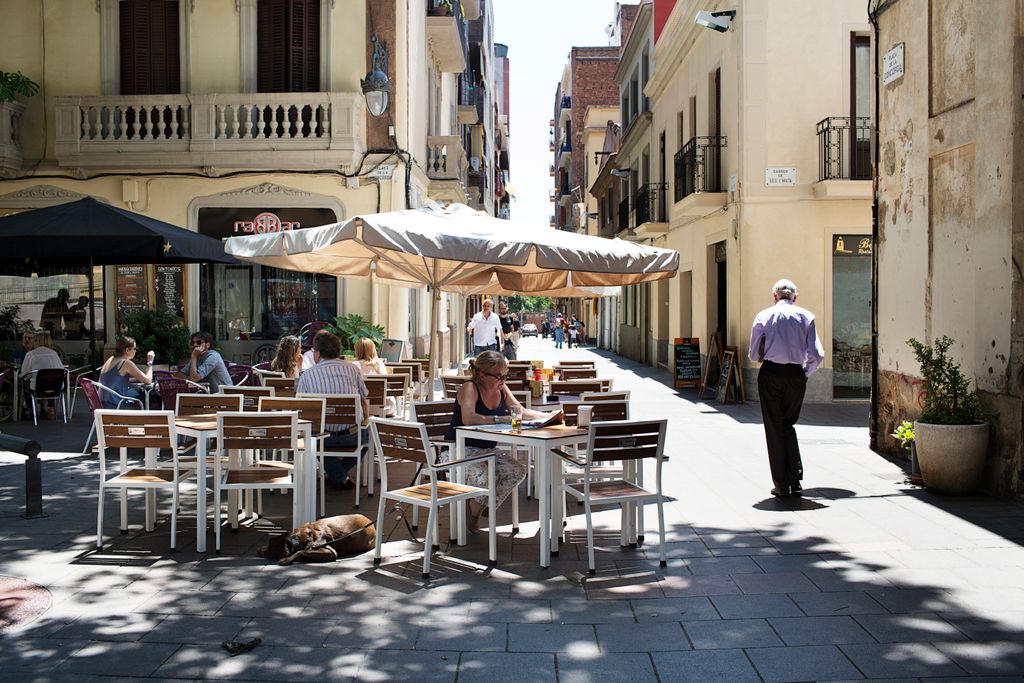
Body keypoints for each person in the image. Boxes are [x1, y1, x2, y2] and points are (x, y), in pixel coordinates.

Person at [444, 351, 561, 532]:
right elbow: (469, 418)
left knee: (517, 471)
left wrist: (548, 416)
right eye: (498, 376)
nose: (503, 380)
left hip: (486, 451)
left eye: (505, 375)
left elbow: (519, 410)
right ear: (481, 375)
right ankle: (475, 513)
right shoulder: (470, 388)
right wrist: (500, 419)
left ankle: (477, 508)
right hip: (457, 451)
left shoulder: (501, 388)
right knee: (485, 478)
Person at [748, 278, 825, 498]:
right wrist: (804, 373)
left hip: (771, 373)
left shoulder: (763, 316)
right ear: (795, 297)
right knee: (787, 424)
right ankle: (794, 477)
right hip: (795, 374)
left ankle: (781, 483)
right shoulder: (807, 316)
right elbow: (817, 354)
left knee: (774, 427)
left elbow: (753, 354)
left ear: (774, 296)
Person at [297, 330, 370, 490]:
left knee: (309, 440)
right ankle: (340, 474)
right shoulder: (353, 369)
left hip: (322, 439)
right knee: (368, 437)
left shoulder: (307, 375)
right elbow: (364, 398)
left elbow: (302, 408)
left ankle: (337, 473)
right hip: (353, 437)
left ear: (318, 353)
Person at [98, 336, 155, 408]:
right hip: (115, 406)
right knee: (146, 399)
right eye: (134, 349)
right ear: (127, 350)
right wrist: (150, 362)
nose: (135, 351)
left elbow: (113, 379)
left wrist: (136, 378)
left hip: (102, 405)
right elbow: (148, 380)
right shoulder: (125, 363)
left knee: (134, 393)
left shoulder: (111, 359)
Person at [20, 331, 65, 418]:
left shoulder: (30, 354)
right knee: (50, 380)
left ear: (36, 341)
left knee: (25, 382)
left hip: (38, 387)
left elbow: (25, 374)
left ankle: (30, 408)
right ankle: (51, 406)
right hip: (56, 387)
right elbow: (61, 370)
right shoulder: (54, 353)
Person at [352, 337, 396, 416]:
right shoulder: (380, 364)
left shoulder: (354, 365)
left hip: (363, 408)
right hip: (386, 407)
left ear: (357, 350)